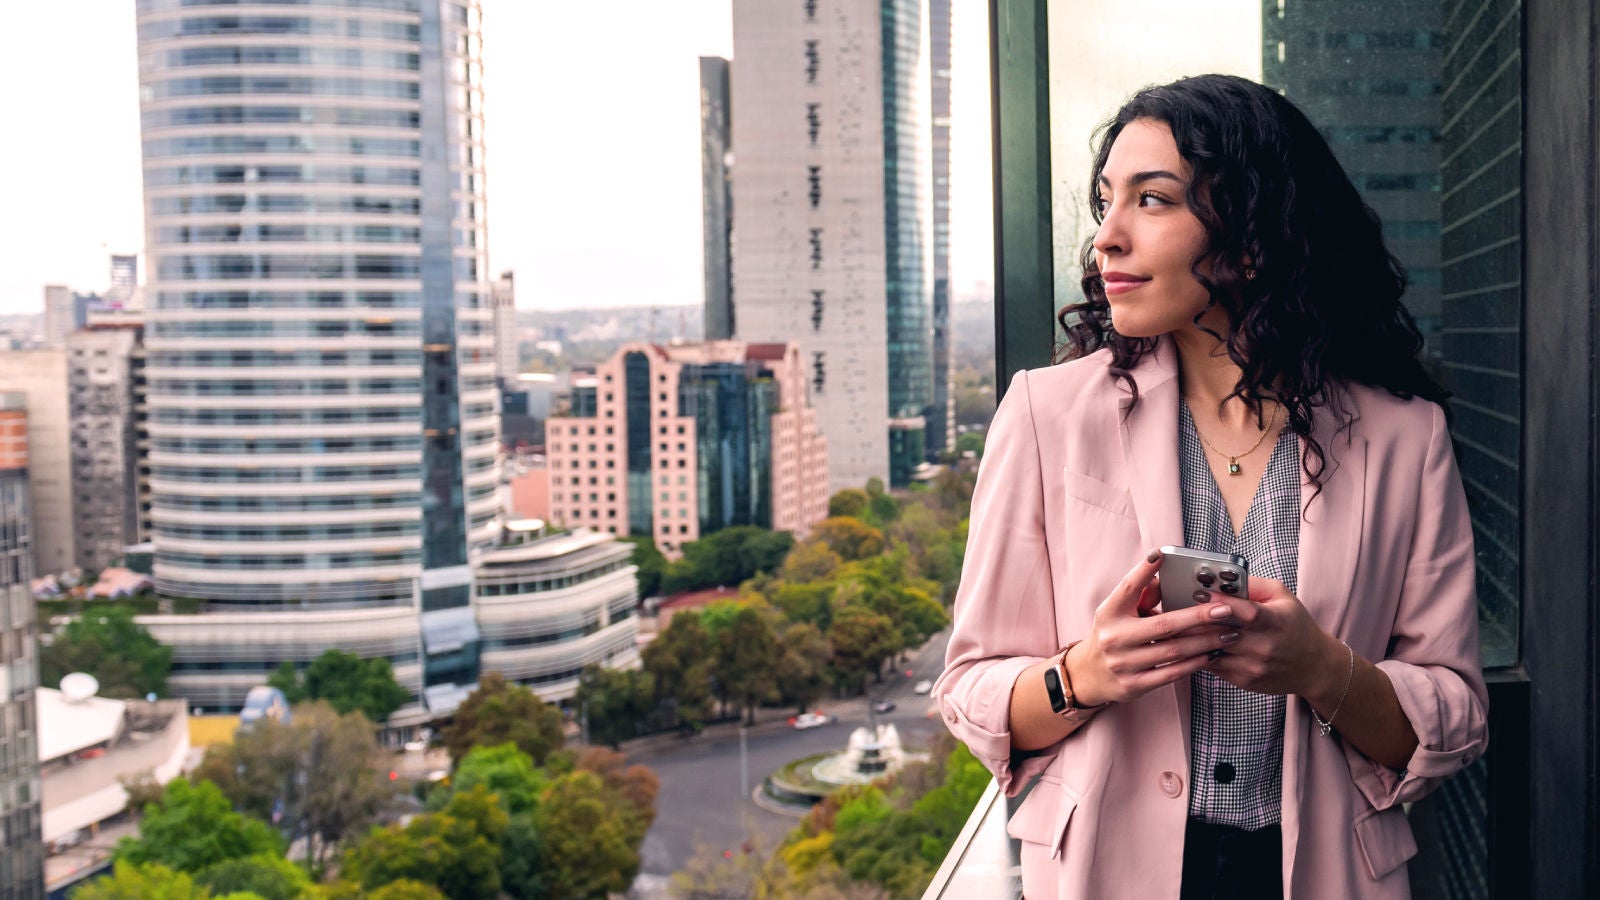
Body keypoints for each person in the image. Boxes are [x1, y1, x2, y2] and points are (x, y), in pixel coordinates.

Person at [933, 74, 1487, 899]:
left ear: (1254, 235)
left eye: (1151, 201)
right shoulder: (1046, 415)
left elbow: (1456, 713)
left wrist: (1325, 671)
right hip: (1109, 871)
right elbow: (969, 688)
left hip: (1322, 871)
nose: (1107, 239)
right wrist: (1083, 673)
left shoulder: (1405, 436)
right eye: (1105, 203)